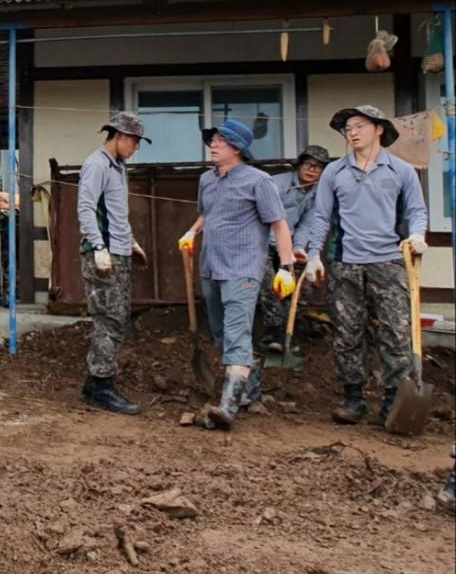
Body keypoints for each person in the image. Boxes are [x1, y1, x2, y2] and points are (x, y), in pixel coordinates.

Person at [305, 106, 428, 426]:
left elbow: (417, 211)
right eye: (347, 128)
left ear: (379, 129)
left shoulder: (401, 171)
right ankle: (353, 400)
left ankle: (393, 401)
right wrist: (315, 254)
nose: (352, 132)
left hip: (389, 263)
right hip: (346, 263)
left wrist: (416, 235)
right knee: (347, 335)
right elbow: (321, 216)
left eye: (359, 125)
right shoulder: (334, 172)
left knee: (396, 334)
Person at [179, 120, 296, 429]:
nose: (213, 145)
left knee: (236, 333)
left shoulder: (259, 182)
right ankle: (250, 388)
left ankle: (227, 407)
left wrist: (286, 267)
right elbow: (207, 212)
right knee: (221, 334)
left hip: (243, 269)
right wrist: (191, 232)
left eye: (220, 141)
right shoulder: (207, 179)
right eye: (212, 140)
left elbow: (279, 224)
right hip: (211, 266)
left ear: (237, 148)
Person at [77, 112, 150, 414]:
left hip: (118, 251)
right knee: (109, 319)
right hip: (103, 254)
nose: (135, 147)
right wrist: (98, 246)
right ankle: (99, 386)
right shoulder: (97, 164)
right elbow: (85, 207)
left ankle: (98, 382)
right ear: (118, 136)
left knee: (118, 318)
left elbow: (117, 213)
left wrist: (131, 243)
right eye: (133, 141)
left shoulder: (118, 167)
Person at [257, 146, 331, 352]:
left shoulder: (317, 192)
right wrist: (284, 250)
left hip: (287, 246)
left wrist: (298, 248)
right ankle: (270, 335)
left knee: (302, 287)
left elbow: (307, 224)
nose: (312, 170)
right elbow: (265, 219)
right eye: (308, 164)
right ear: (299, 165)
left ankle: (289, 334)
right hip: (261, 243)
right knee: (271, 286)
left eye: (318, 167)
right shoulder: (277, 185)